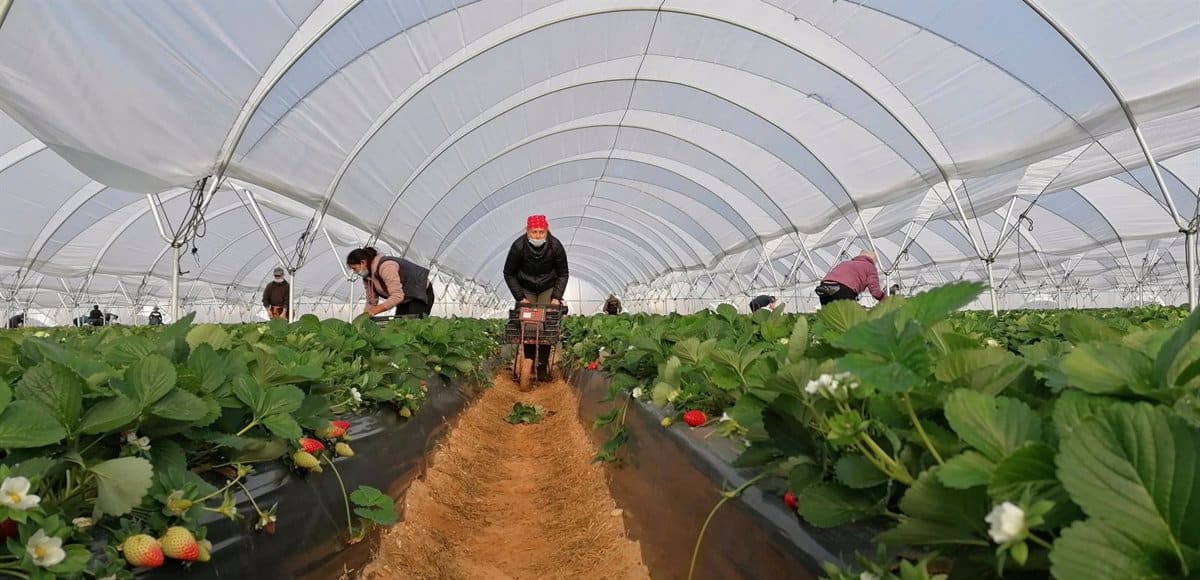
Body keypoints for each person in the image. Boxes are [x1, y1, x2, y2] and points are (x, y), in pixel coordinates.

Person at [503, 214, 569, 382]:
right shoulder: (518, 247)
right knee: (529, 323)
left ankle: (542, 365)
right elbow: (508, 273)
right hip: (526, 288)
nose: (538, 235)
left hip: (548, 286)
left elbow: (563, 273)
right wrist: (521, 297)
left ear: (546, 230)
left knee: (546, 322)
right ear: (527, 231)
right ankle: (529, 361)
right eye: (534, 232)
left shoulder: (555, 246)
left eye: (541, 232)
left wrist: (556, 297)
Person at [346, 247, 435, 318]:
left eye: (354, 268)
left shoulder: (386, 266)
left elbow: (397, 296)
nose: (354, 272)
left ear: (363, 262)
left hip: (420, 294)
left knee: (414, 326)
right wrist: (364, 317)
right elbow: (371, 301)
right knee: (398, 327)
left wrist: (376, 310)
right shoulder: (367, 277)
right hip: (405, 299)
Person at [815, 250, 887, 306]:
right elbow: (875, 291)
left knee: (829, 318)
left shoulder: (845, 263)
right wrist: (884, 298)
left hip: (824, 287)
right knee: (850, 319)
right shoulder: (870, 267)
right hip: (842, 290)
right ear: (873, 260)